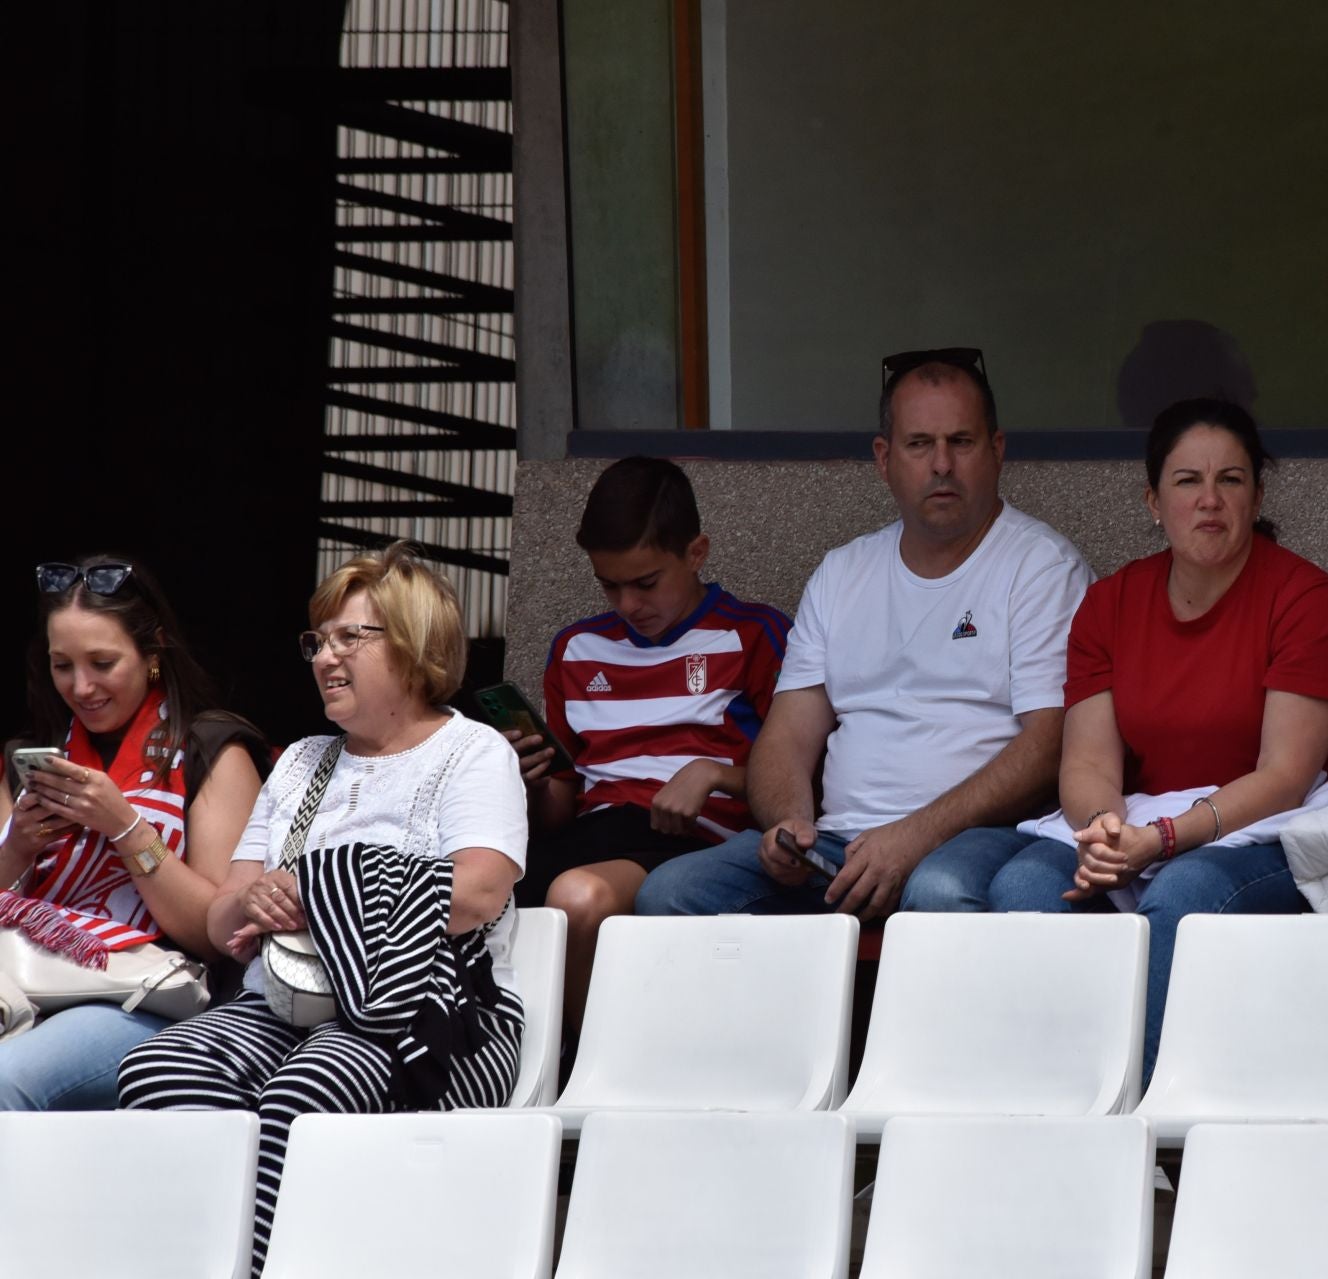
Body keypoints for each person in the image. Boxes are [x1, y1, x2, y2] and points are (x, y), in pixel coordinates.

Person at [119, 543, 527, 1275]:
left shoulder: (473, 751)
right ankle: (206, 1261)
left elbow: (479, 891)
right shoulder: (306, 759)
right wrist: (257, 895)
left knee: (311, 1085)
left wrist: (321, 886)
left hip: (426, 1012)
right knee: (159, 1068)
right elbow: (220, 921)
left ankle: (266, 1264)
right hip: (285, 998)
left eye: (350, 638)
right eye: (318, 640)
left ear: (412, 645)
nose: (324, 657)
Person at [637, 348, 1091, 919]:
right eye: (919, 443)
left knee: (941, 891)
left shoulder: (1041, 566)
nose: (942, 464)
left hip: (976, 838)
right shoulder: (842, 572)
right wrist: (788, 824)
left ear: (997, 450)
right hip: (835, 845)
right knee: (671, 893)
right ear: (884, 458)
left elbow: (1049, 744)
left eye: (962, 441)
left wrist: (913, 837)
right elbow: (787, 736)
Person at [987, 398, 1328, 1082]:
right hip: (1142, 828)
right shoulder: (1111, 602)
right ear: (1153, 500)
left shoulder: (1306, 599)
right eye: (1188, 480)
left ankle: (1155, 1129)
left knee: (1184, 894)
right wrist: (1105, 835)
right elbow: (1088, 759)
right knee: (1022, 883)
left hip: (1278, 835)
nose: (1210, 500)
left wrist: (1161, 839)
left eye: (1232, 479)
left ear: (1256, 495)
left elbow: (1285, 774)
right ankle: (1055, 1112)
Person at [507, 456, 789, 1038]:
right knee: (469, 887)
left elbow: (806, 776)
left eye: (646, 583)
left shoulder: (756, 634)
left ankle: (566, 1074)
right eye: (609, 585)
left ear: (696, 553)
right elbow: (564, 806)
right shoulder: (575, 649)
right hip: (592, 833)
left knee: (579, 896)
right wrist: (531, 779)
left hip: (700, 844)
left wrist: (714, 773)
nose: (629, 605)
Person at [0, 556, 268, 1110]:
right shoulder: (28, 758)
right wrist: (19, 846)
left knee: (8, 1080)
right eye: (62, 665)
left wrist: (124, 826)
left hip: (146, 995)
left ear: (152, 654)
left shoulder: (213, 750)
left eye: (102, 662)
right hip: (21, 973)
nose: (81, 686)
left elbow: (212, 933)